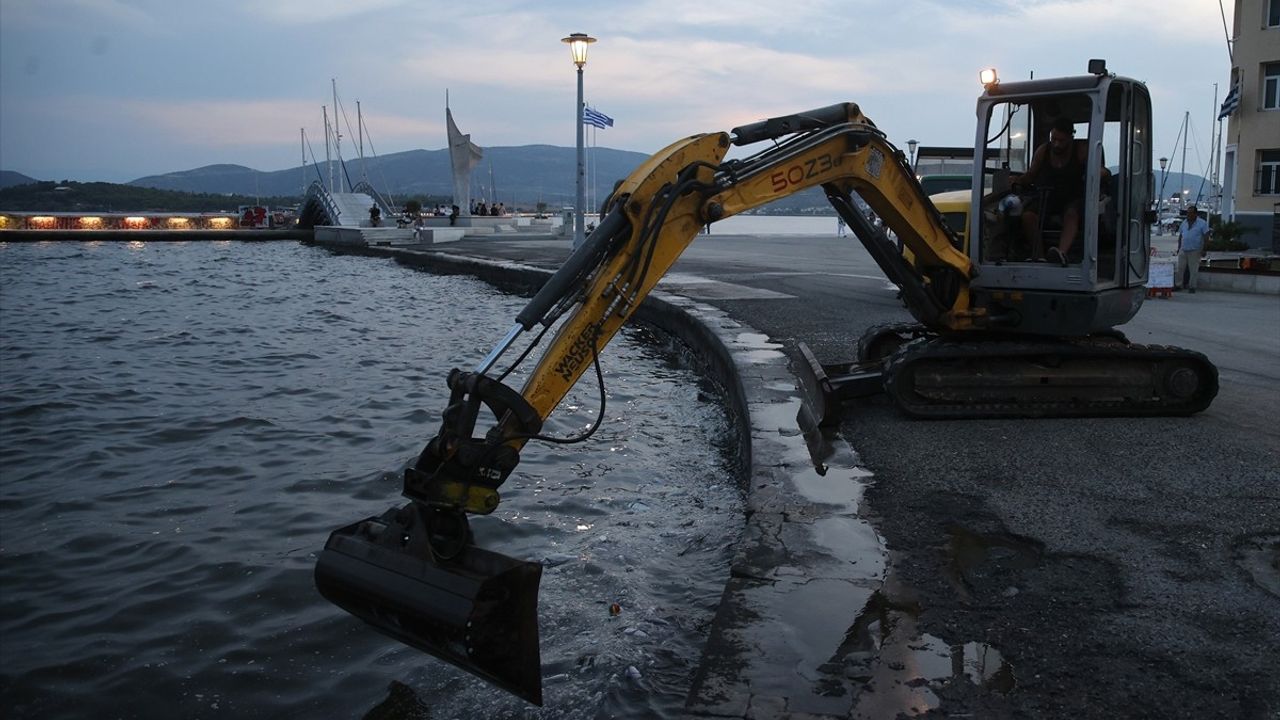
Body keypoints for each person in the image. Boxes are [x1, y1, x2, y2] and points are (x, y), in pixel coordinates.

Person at [1017, 116, 1109, 266]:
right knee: (1028, 215)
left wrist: (1099, 172)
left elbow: (1103, 171)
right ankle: (1039, 256)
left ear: (1070, 138)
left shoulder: (1081, 150)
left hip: (1073, 197)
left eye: (1061, 140)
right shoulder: (1043, 151)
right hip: (1048, 196)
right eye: (1054, 139)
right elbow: (1031, 174)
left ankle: (1061, 253)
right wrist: (1017, 180)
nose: (1056, 144)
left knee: (1072, 214)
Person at [1176, 205, 1211, 294]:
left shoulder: (1202, 223)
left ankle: (1192, 286)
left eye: (1191, 213)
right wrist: (1179, 247)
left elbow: (1206, 236)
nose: (1189, 214)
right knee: (1180, 268)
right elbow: (1181, 235)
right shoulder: (1184, 222)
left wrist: (1204, 249)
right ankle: (1178, 285)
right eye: (1188, 213)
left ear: (1195, 214)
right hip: (1183, 249)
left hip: (1195, 250)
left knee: (1193, 270)